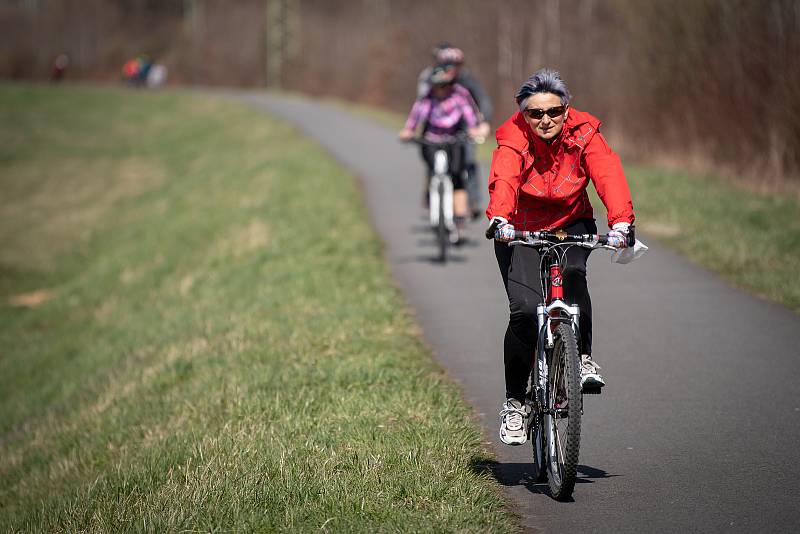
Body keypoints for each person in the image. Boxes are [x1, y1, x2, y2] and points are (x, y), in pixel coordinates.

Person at [485, 69, 635, 445]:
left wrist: (620, 224)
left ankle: (581, 357)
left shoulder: (585, 132)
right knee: (523, 309)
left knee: (572, 276)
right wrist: (499, 216)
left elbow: (607, 173)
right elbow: (504, 176)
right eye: (535, 113)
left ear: (566, 110)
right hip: (519, 227)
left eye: (554, 111)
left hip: (571, 221)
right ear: (524, 115)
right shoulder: (513, 136)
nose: (545, 120)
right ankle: (515, 404)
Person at [399, 65, 483, 240]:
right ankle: (432, 201)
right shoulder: (427, 97)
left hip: (454, 139)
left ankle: (459, 220)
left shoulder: (459, 95)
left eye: (445, 85)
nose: (441, 89)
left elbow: (469, 114)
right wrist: (408, 130)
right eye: (437, 85)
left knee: (458, 176)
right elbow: (416, 115)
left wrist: (475, 129)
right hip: (432, 139)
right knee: (432, 170)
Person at [417, 44, 492, 218]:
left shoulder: (466, 79)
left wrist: (484, 122)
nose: (452, 69)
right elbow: (422, 101)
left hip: (463, 126)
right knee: (431, 155)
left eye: (456, 65)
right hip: (434, 125)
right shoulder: (430, 76)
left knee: (468, 159)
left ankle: (472, 202)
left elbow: (483, 99)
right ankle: (430, 194)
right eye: (447, 64)